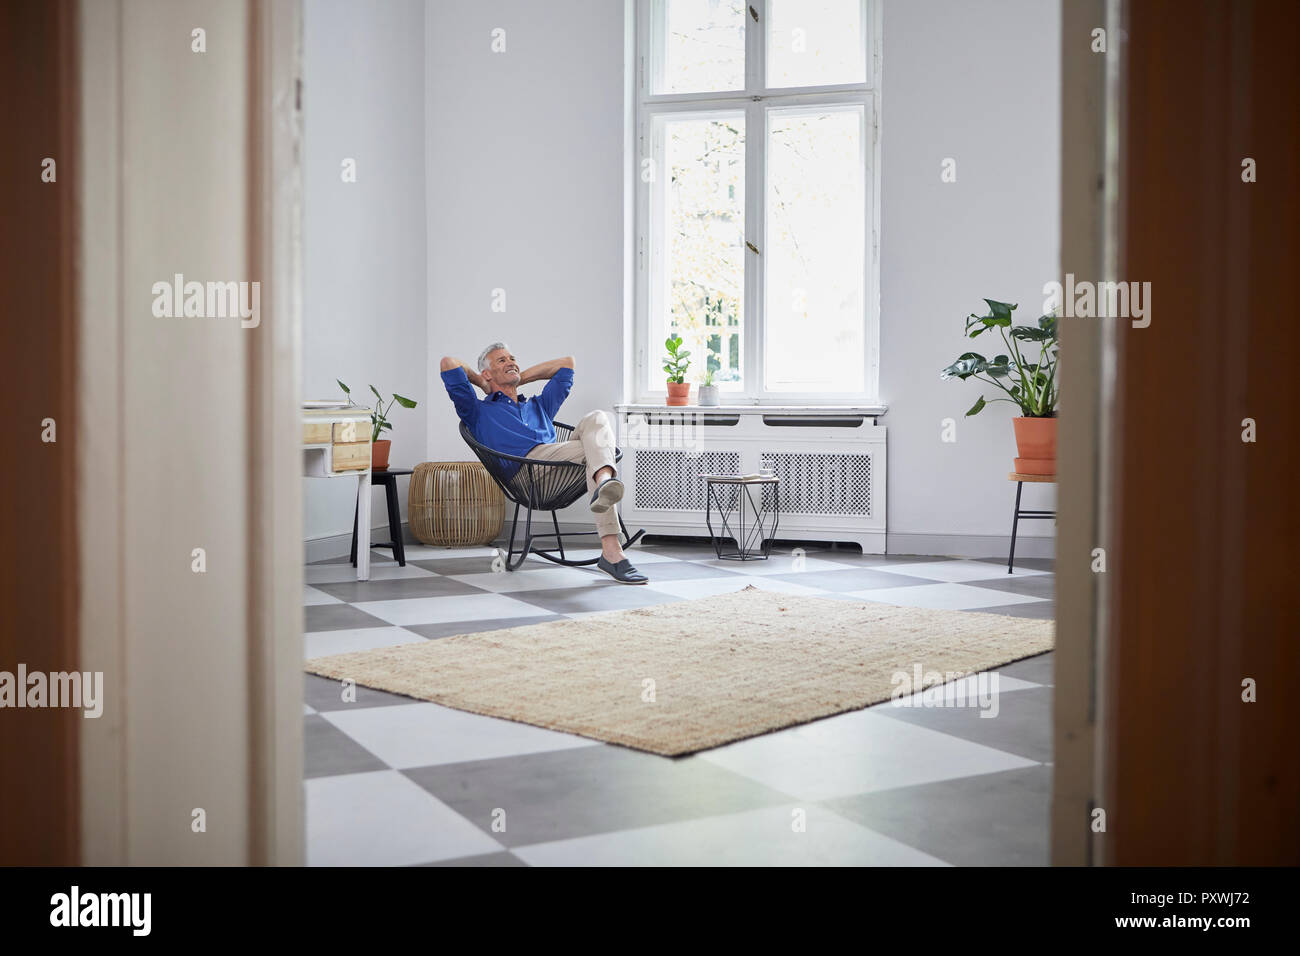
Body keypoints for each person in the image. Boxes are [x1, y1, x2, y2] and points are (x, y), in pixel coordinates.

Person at [439, 343, 648, 584]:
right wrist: (484, 383)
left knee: (598, 418)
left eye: (512, 358)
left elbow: (567, 363)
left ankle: (603, 482)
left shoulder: (539, 405)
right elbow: (448, 363)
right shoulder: (477, 410)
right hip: (526, 474)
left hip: (560, 468)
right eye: (501, 361)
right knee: (594, 449)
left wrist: (517, 377)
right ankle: (612, 549)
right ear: (487, 373)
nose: (510, 362)